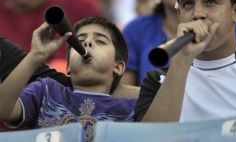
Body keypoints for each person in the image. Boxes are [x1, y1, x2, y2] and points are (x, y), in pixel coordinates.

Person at [134, 0, 236, 123]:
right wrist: (182, 59)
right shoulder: (156, 81)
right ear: (179, 14)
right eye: (187, 3)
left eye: (210, 1)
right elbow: (151, 137)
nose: (197, 13)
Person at [0, 16, 138, 141]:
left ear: (118, 67)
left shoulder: (133, 109)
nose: (87, 43)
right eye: (80, 40)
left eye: (100, 41)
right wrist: (35, 56)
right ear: (68, 67)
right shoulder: (46, 90)